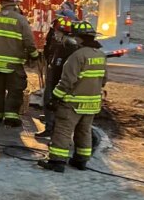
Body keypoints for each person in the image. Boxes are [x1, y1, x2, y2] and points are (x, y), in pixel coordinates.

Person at [40, 20, 107, 172]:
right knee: (84, 131)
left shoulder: (77, 56)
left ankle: (57, 162)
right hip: (92, 104)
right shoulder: (100, 55)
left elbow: (67, 81)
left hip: (72, 103)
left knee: (63, 130)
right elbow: (103, 80)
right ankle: (81, 161)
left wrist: (54, 98)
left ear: (79, 38)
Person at [0, 0, 38, 126]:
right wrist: (34, 55)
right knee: (15, 90)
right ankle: (11, 118)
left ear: (1, 3)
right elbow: (29, 41)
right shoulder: (20, 20)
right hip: (13, 65)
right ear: (15, 4)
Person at [35, 16, 79, 140]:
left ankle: (51, 127)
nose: (55, 34)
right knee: (49, 100)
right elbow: (48, 50)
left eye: (56, 32)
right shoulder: (65, 43)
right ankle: (50, 122)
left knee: (50, 99)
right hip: (54, 72)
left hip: (57, 77)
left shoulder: (66, 45)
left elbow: (60, 64)